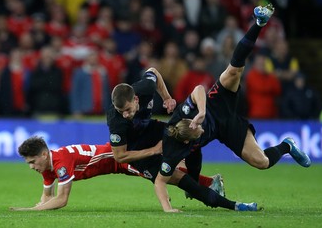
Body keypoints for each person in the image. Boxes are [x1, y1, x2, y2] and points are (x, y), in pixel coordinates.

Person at [154, 4, 312, 212]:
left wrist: (201, 112)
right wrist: (168, 207)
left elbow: (198, 89)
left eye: (197, 128)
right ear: (187, 140)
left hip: (215, 105)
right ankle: (287, 146)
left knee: (234, 71)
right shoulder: (178, 149)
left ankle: (258, 23)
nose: (199, 129)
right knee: (261, 162)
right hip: (225, 128)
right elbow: (160, 180)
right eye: (197, 134)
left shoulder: (183, 116)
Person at [108, 68, 257, 212]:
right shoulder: (117, 122)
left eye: (127, 110)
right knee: (181, 180)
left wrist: (166, 97)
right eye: (121, 111)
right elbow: (120, 156)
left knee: (190, 138)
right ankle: (227, 202)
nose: (125, 115)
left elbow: (154, 72)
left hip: (151, 130)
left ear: (135, 99)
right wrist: (153, 151)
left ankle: (195, 181)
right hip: (137, 150)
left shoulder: (145, 87)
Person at [9, 136, 222, 211]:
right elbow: (47, 196)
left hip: (117, 161)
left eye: (32, 161)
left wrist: (28, 211)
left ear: (44, 154)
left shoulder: (61, 163)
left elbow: (61, 200)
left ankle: (210, 183)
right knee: (166, 174)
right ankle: (207, 182)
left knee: (164, 176)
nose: (31, 167)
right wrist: (38, 206)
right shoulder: (48, 166)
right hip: (112, 159)